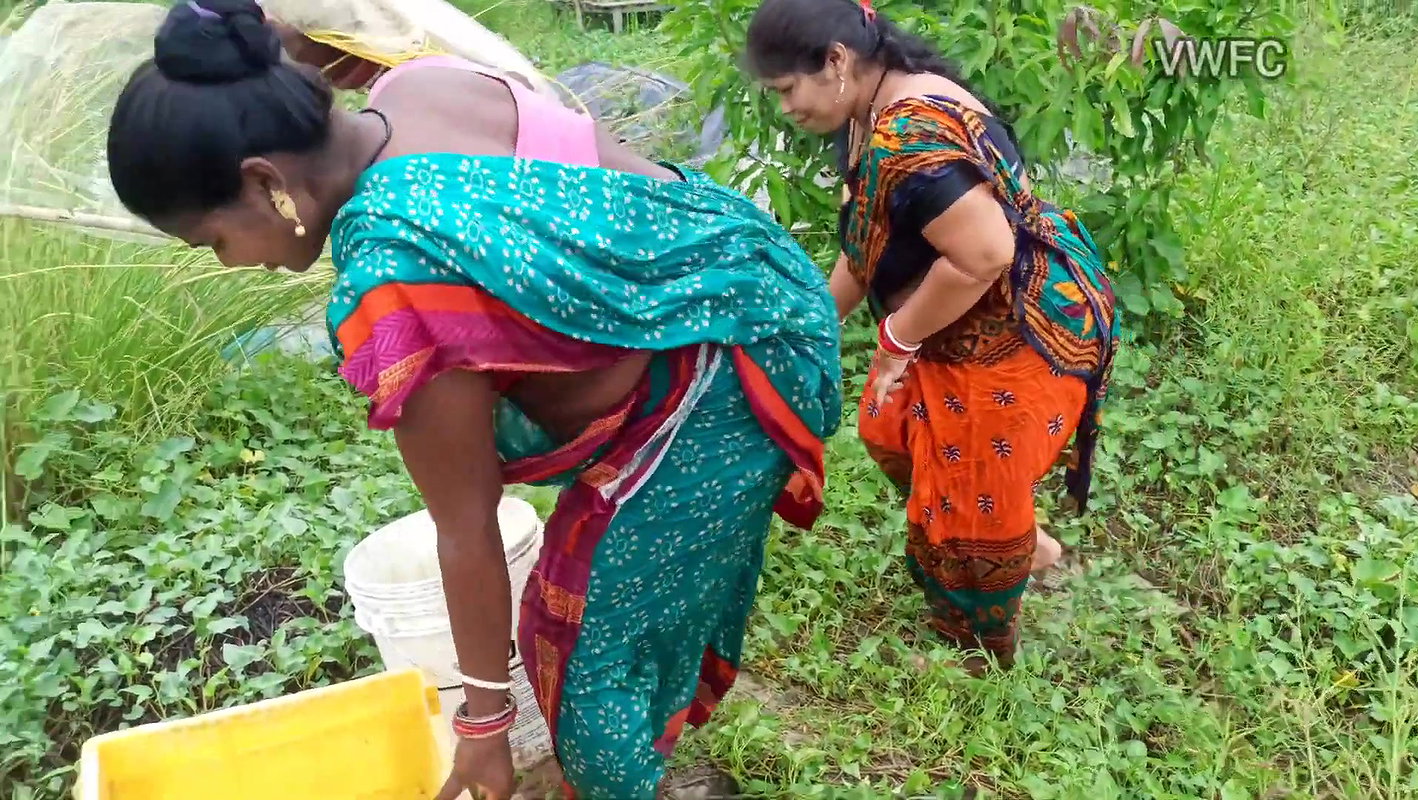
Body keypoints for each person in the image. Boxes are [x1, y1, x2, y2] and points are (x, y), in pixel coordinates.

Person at [105, 2, 842, 798]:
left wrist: (483, 729)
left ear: (264, 182)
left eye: (215, 241)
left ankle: (620, 772)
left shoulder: (395, 277)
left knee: (588, 685)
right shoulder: (423, 83)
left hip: (721, 386)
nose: (229, 264)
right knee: (605, 611)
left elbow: (467, 528)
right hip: (755, 280)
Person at [745, 0, 1119, 672]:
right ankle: (1031, 549)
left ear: (835, 62)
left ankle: (979, 646)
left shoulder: (910, 134)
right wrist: (806, 326)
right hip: (958, 319)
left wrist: (896, 339)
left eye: (786, 90)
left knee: (973, 500)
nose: (786, 109)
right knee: (888, 427)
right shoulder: (874, 110)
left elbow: (982, 256)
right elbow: (868, 243)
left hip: (1010, 330)